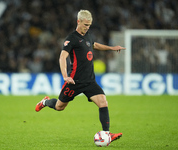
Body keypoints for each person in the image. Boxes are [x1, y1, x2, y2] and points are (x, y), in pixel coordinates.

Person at [35, 10, 125, 143]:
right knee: (60, 107)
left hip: (89, 81)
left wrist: (111, 48)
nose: (87, 27)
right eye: (85, 25)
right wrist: (65, 76)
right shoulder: (71, 39)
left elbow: (94, 45)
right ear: (78, 21)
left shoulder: (87, 35)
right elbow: (62, 57)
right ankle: (45, 102)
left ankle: (107, 134)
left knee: (103, 102)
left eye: (89, 25)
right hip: (74, 81)